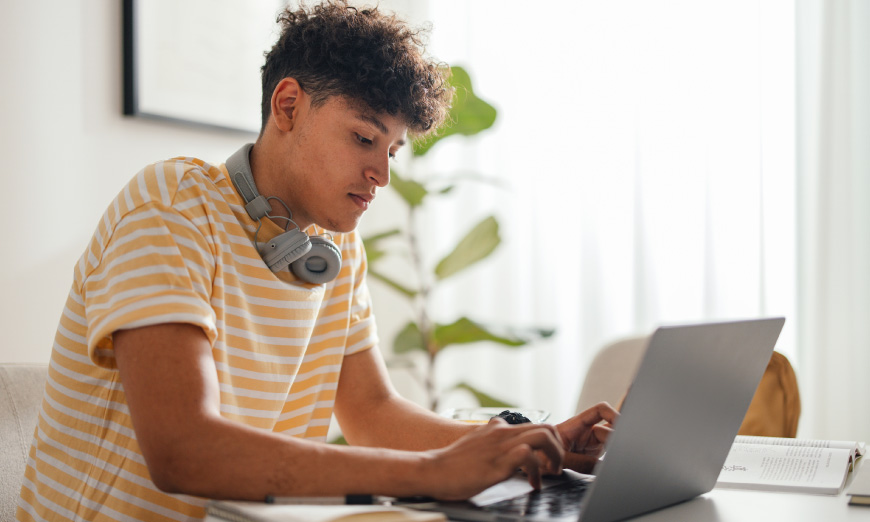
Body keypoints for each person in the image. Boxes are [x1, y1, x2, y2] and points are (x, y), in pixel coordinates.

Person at [17, 2, 618, 521]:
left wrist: (527, 446)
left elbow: (373, 413)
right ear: (288, 106)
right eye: (363, 138)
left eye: (392, 151)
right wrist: (435, 471)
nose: (381, 174)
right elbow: (184, 450)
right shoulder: (170, 209)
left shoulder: (333, 248)